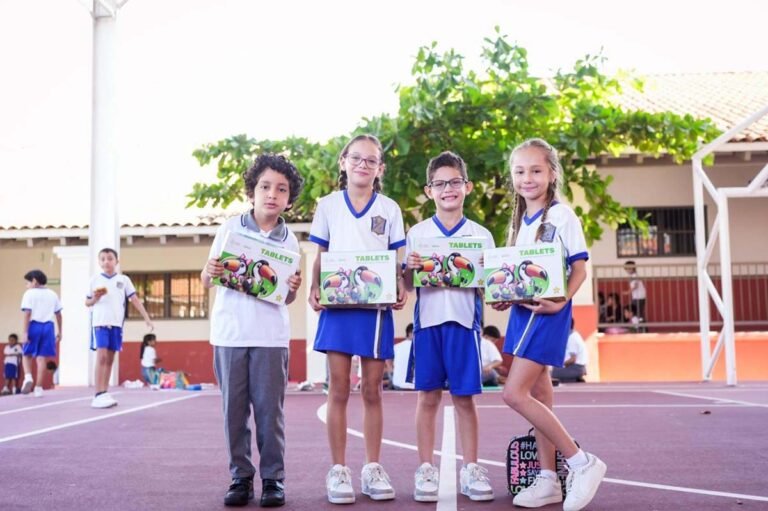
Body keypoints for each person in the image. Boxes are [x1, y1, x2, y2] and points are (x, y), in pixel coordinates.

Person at [494, 138, 606, 510]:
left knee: (514, 394)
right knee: (540, 395)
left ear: (552, 173)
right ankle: (548, 479)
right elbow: (520, 274)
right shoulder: (519, 223)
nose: (527, 178)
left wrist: (560, 303)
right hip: (522, 314)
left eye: (536, 170)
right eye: (520, 171)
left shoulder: (562, 215)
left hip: (549, 315)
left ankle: (581, 462)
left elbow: (579, 268)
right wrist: (505, 293)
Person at [308, 134, 407, 504]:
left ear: (380, 168)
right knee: (337, 387)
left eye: (371, 160)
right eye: (356, 158)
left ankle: (372, 466)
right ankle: (338, 470)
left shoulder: (390, 209)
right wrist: (315, 286)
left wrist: (401, 284)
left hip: (376, 311)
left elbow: (399, 258)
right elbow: (320, 252)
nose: (363, 165)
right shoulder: (329, 206)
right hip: (338, 306)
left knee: (371, 390)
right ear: (343, 162)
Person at [202, 153, 304, 508]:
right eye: (264, 186)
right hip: (230, 335)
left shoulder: (290, 241)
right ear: (252, 191)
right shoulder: (229, 228)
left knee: (269, 413)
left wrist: (293, 285)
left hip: (271, 338)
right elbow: (206, 278)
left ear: (289, 199)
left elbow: (287, 296)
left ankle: (273, 479)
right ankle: (240, 477)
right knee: (233, 412)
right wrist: (211, 269)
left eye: (281, 189)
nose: (271, 194)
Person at [403, 151, 495, 503]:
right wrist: (408, 268)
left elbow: (490, 284)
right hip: (427, 326)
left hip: (464, 325)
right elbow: (409, 285)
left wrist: (490, 270)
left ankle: (471, 468)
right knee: (427, 397)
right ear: (429, 191)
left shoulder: (481, 236)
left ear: (467, 187)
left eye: (455, 182)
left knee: (465, 399)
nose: (448, 189)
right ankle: (426, 468)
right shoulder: (417, 233)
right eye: (440, 184)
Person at [86, 248, 154, 409]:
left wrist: (147, 318)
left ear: (116, 261)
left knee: (110, 359)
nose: (106, 262)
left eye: (110, 258)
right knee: (101, 357)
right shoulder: (94, 280)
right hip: (100, 323)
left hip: (116, 324)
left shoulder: (123, 280)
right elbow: (87, 303)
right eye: (102, 259)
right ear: (99, 262)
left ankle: (104, 391)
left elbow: (135, 300)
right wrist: (95, 298)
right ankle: (97, 394)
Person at [19, 270, 62, 398]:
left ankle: (28, 377)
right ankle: (38, 388)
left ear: (34, 281)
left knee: (26, 355)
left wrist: (25, 332)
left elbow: (27, 313)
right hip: (49, 327)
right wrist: (60, 331)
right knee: (41, 357)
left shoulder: (29, 294)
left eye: (27, 282)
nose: (26, 285)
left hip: (34, 325)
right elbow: (59, 315)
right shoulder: (53, 294)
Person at [391, 323, 414, 390]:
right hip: (415, 386)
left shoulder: (396, 347)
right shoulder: (420, 347)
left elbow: (387, 359)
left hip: (397, 384)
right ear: (410, 333)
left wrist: (391, 371)